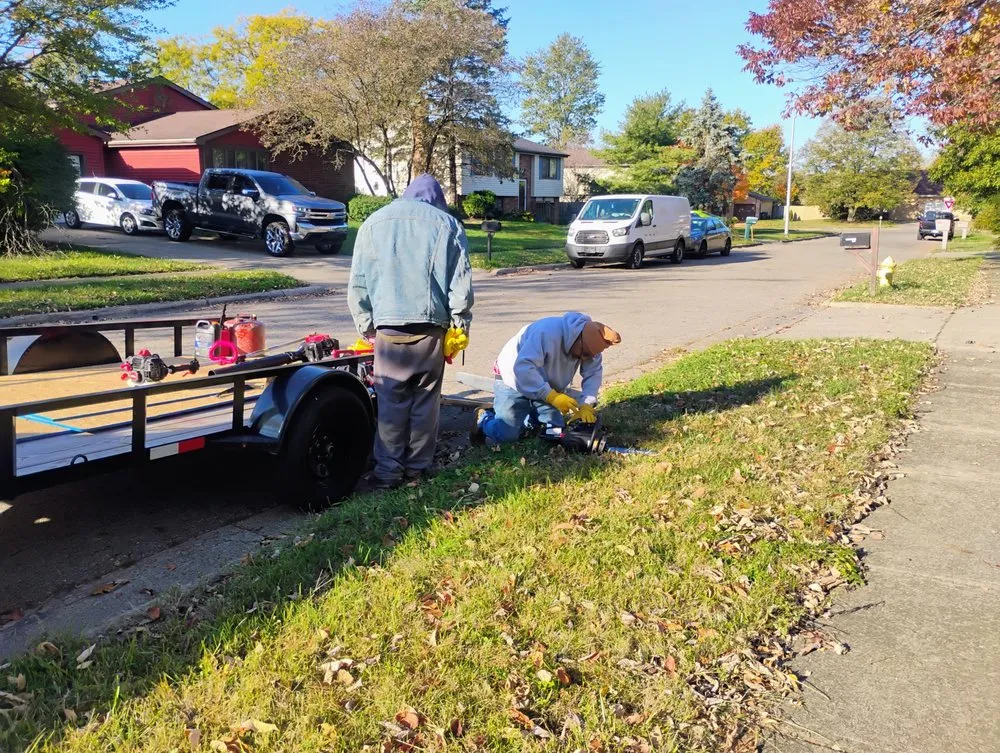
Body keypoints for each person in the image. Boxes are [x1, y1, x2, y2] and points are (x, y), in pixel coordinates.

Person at [348, 174, 473, 488]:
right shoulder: (447, 225)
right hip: (431, 329)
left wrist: (366, 326)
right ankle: (417, 469)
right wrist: (459, 327)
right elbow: (461, 285)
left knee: (391, 403)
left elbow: (358, 284)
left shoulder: (373, 224)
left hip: (388, 331)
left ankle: (388, 473)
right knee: (425, 403)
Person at [472, 313, 621, 444]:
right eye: (584, 354)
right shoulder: (546, 332)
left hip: (546, 384)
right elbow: (523, 369)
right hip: (512, 380)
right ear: (577, 339)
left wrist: (586, 404)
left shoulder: (591, 347)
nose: (585, 358)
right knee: (507, 436)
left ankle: (528, 417)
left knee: (556, 431)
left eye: (589, 356)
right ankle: (487, 419)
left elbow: (593, 373)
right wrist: (549, 395)